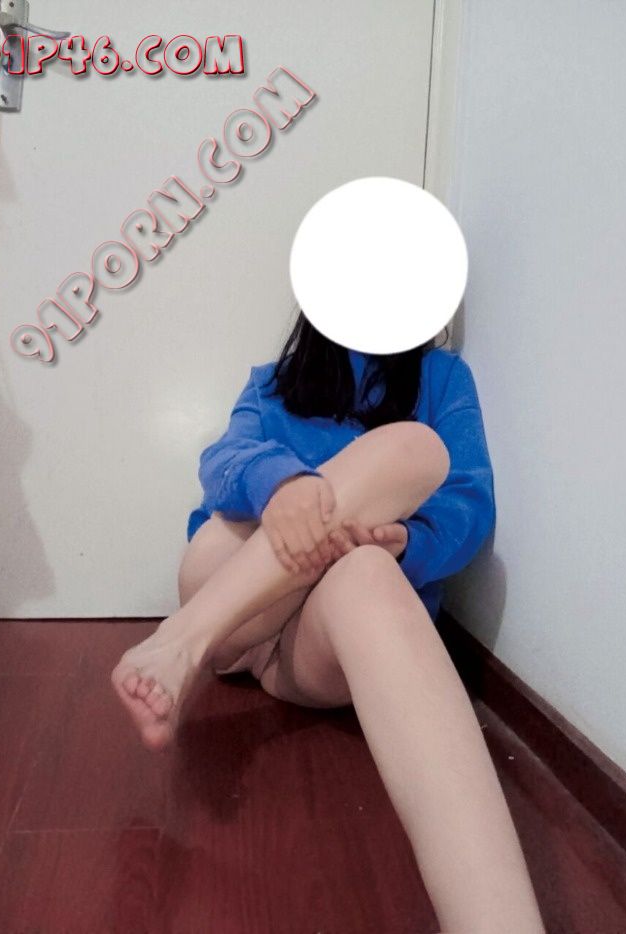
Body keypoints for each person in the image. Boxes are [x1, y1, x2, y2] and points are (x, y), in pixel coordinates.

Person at [111, 311, 545, 933]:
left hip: (317, 642)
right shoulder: (271, 382)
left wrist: (407, 543)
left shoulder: (442, 379)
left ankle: (497, 924)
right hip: (236, 618)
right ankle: (185, 640)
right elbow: (222, 460)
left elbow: (469, 503)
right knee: (226, 529)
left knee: (411, 462)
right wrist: (282, 486)